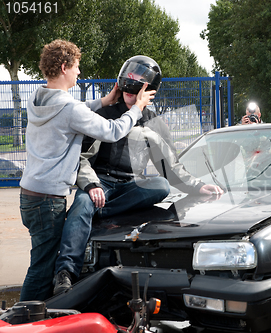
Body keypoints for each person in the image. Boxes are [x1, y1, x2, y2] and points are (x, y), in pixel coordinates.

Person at [53, 56, 224, 295]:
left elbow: (170, 167)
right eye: (128, 88)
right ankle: (64, 273)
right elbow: (80, 158)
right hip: (98, 181)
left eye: (137, 91)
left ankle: (102, 210)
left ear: (149, 91)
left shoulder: (155, 123)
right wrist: (91, 185)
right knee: (82, 202)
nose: (130, 94)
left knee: (161, 186)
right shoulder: (102, 113)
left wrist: (197, 187)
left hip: (130, 187)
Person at [19, 40, 156, 302]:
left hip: (30, 195)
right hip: (49, 200)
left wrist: (104, 101)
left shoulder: (37, 98)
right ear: (64, 67)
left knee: (40, 260)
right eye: (77, 67)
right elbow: (112, 131)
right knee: (42, 267)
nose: (79, 73)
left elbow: (72, 112)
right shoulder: (69, 108)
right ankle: (22, 322)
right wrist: (137, 109)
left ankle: (30, 317)